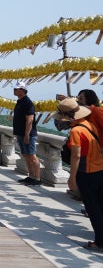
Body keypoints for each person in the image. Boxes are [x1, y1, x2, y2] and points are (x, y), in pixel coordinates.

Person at [52, 97, 103, 252]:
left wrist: (72, 177)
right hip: (100, 170)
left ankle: (100, 242)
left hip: (86, 173)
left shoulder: (76, 131)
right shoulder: (88, 125)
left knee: (93, 208)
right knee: (101, 206)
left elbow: (76, 155)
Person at [13, 81, 41, 186]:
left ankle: (37, 178)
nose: (14, 90)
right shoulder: (19, 102)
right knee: (25, 155)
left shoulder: (27, 103)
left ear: (23, 90)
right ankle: (31, 176)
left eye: (16, 89)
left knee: (32, 156)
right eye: (14, 89)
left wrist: (27, 135)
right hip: (20, 133)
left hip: (28, 134)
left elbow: (29, 120)